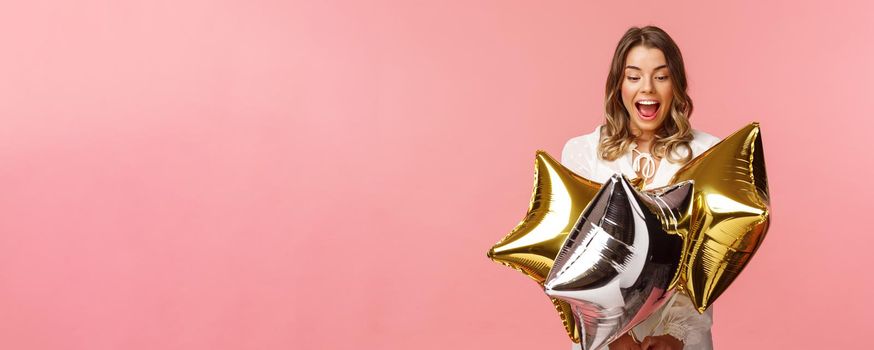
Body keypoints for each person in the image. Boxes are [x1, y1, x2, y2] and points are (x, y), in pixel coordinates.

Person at [561, 26, 719, 350]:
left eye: (661, 76)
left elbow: (711, 259)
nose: (647, 88)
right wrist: (615, 335)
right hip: (604, 341)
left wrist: (677, 335)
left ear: (676, 83)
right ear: (618, 84)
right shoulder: (583, 154)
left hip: (681, 340)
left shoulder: (708, 155)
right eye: (634, 76)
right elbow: (573, 263)